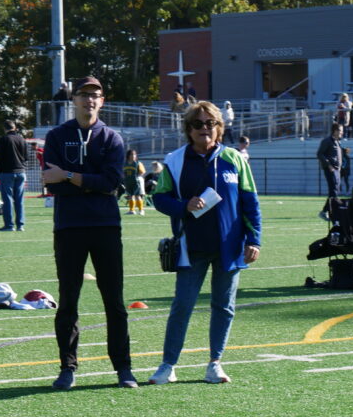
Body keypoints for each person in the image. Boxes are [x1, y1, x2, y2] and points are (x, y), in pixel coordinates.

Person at [149, 100, 263, 386]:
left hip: (230, 247)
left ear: (219, 128)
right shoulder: (175, 160)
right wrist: (184, 206)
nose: (204, 129)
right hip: (190, 247)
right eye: (198, 124)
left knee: (223, 306)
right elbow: (159, 198)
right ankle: (167, 365)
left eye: (210, 123)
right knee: (182, 305)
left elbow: (251, 202)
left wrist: (254, 240)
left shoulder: (235, 159)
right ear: (188, 129)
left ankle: (215, 363)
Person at [42, 75, 137, 390]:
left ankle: (123, 369)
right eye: (83, 95)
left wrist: (70, 176)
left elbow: (110, 183)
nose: (89, 100)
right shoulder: (57, 136)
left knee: (115, 301)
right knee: (69, 300)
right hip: (69, 228)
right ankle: (67, 367)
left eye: (95, 95)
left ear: (102, 101)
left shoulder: (111, 138)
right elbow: (51, 183)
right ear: (74, 100)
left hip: (105, 227)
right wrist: (87, 183)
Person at [0, 119, 28, 232]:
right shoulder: (21, 139)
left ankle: (9, 225)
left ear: (5, 129)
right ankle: (20, 225)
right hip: (21, 171)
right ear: (15, 127)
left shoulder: (4, 139)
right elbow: (26, 157)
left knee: (7, 199)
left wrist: (0, 169)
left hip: (7, 172)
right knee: (19, 199)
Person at [316, 122, 344, 220]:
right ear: (335, 131)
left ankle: (329, 211)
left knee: (335, 191)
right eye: (340, 130)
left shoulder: (337, 142)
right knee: (334, 191)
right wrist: (329, 165)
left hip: (337, 169)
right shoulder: (327, 141)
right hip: (331, 169)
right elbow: (320, 154)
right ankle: (326, 211)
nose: (342, 133)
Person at [122, 148, 146, 215]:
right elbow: (123, 172)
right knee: (130, 196)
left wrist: (137, 177)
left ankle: (141, 210)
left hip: (136, 182)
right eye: (131, 154)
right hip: (128, 181)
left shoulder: (138, 163)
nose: (133, 156)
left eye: (134, 154)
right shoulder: (125, 163)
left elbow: (142, 172)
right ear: (128, 155)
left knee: (137, 196)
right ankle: (132, 210)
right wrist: (123, 177)